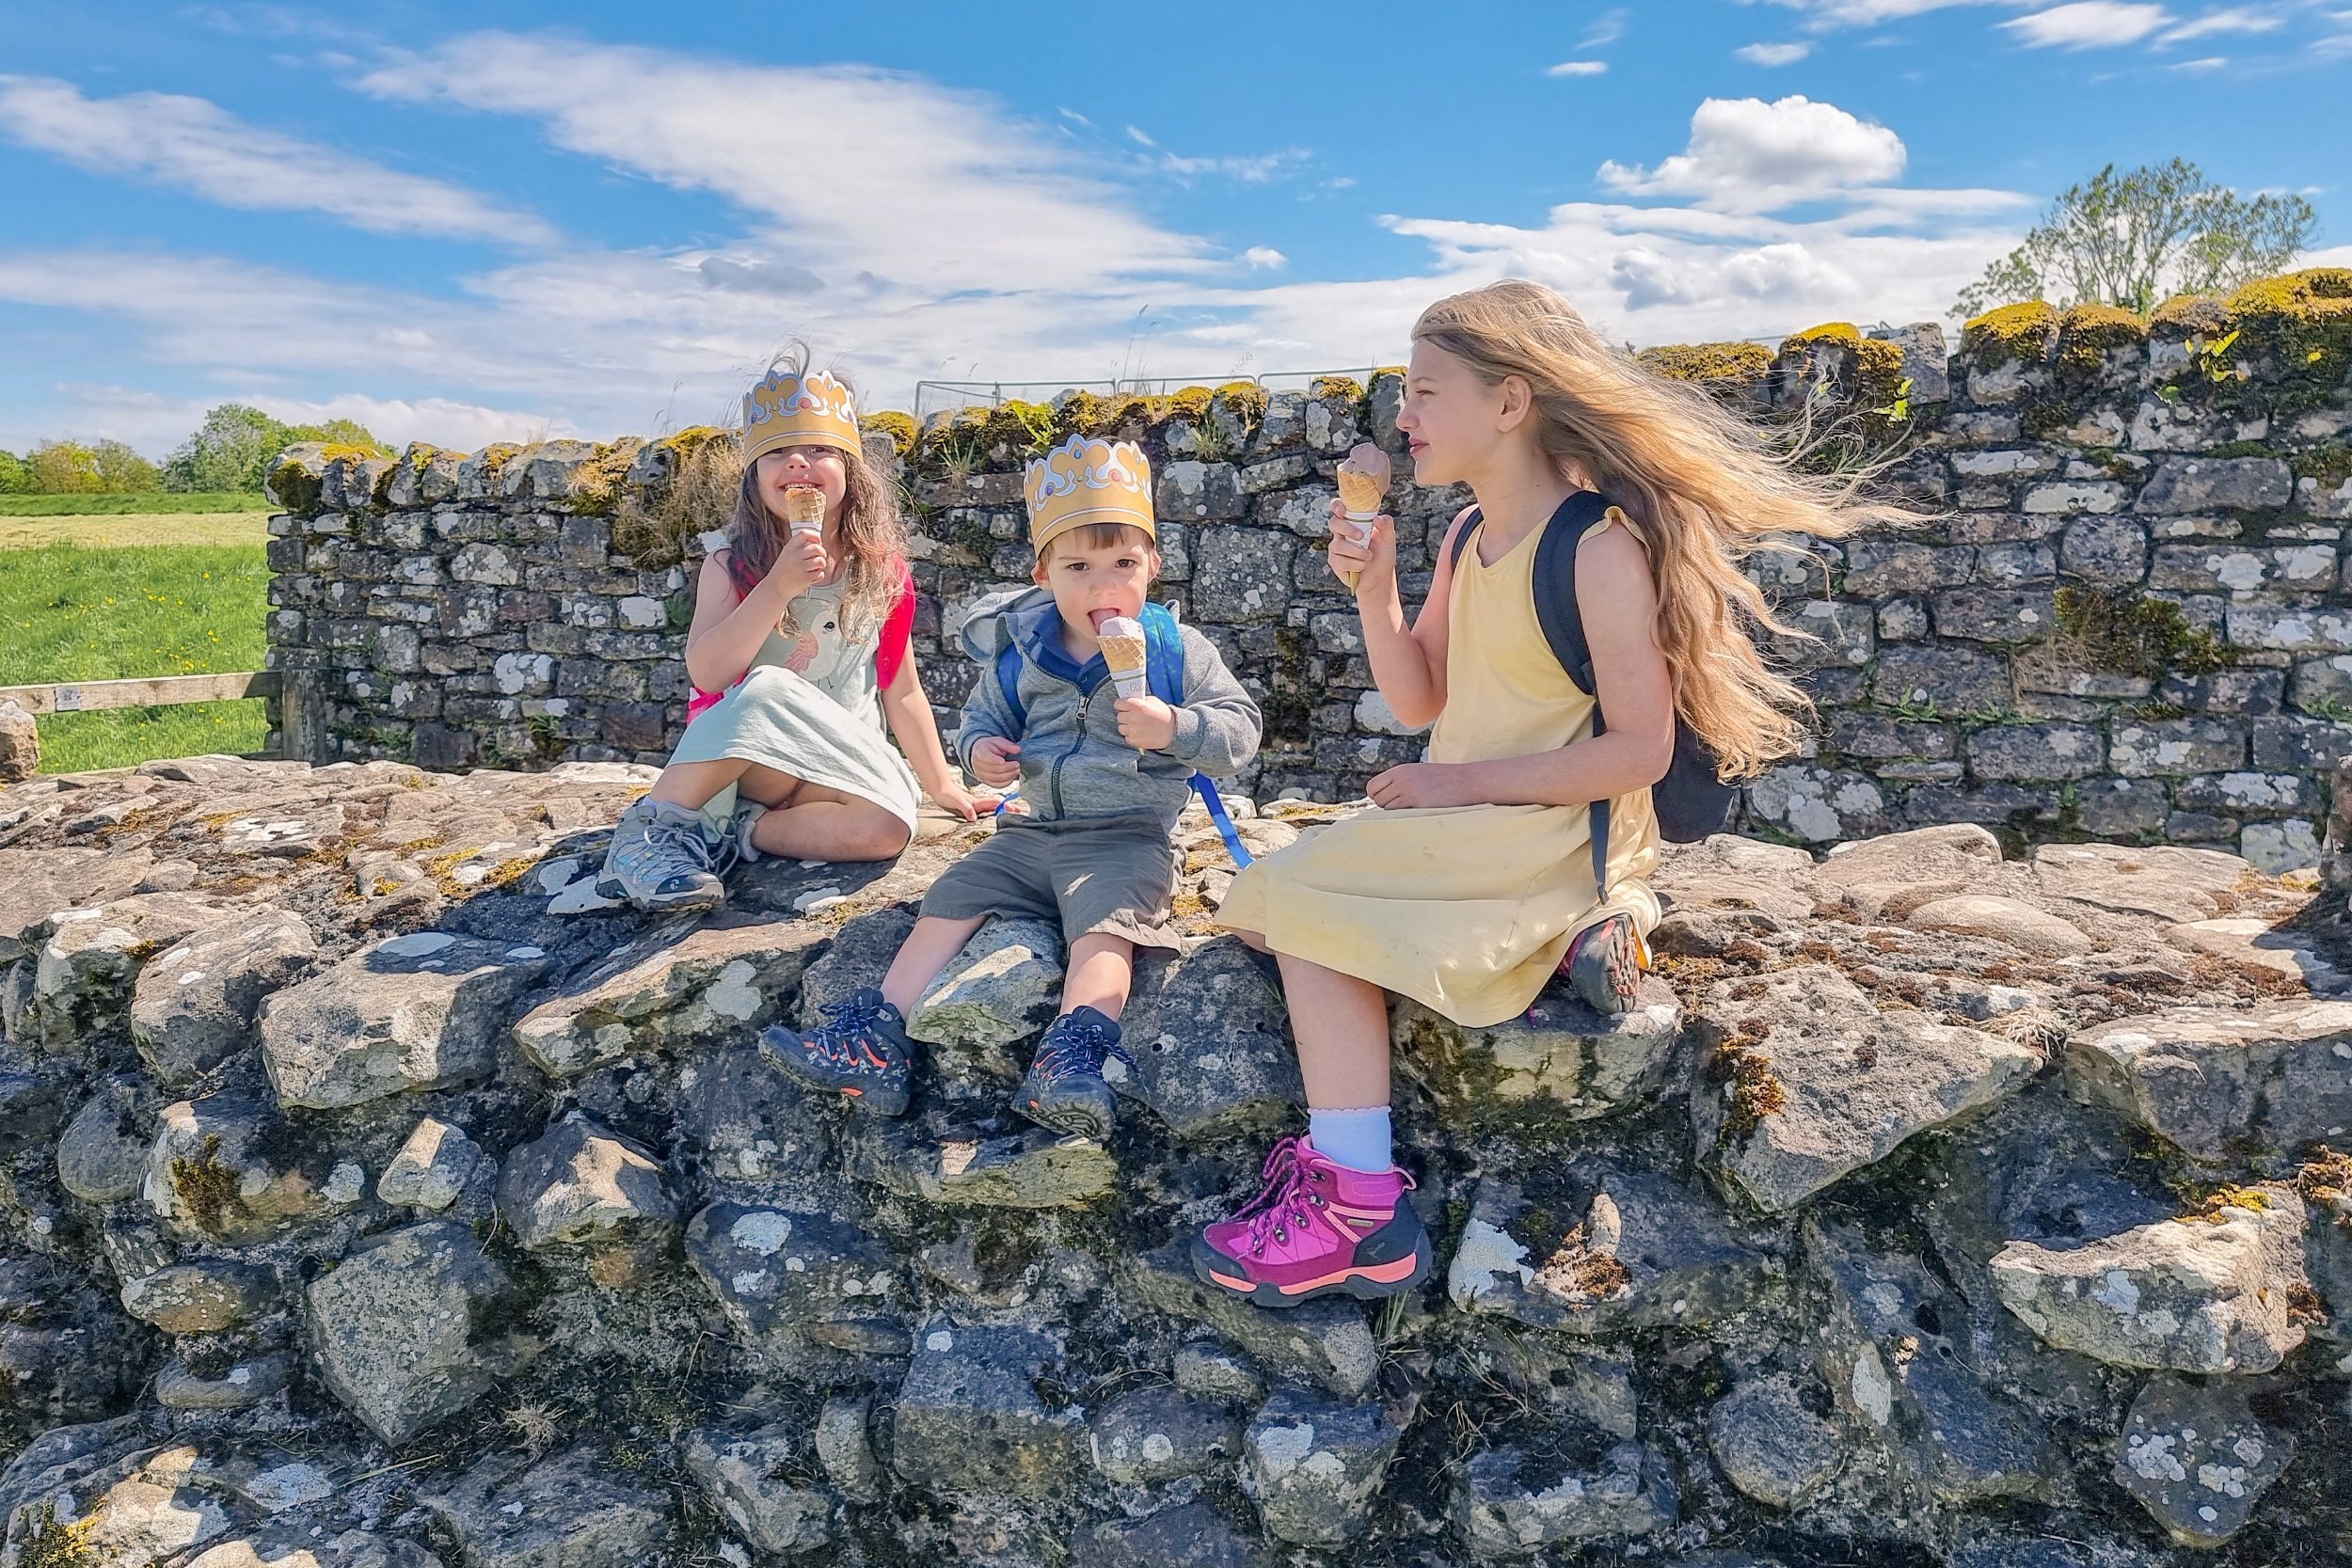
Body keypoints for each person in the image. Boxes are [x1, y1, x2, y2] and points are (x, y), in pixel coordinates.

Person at [1191, 280, 1903, 1307]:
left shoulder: (1599, 548)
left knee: (1296, 901)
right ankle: (1572, 944)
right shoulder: (1462, 536)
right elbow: (1416, 694)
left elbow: (1640, 752)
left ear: (1511, 401)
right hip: (1475, 820)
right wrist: (1374, 588)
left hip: (1557, 827)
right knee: (1269, 896)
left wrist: (1453, 785)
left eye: (1427, 392)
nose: (1402, 418)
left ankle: (1359, 1207)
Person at [760, 434, 1263, 1130]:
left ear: (1153, 563)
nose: (1102, 584)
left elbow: (1240, 732)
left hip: (1125, 836)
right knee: (953, 893)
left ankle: (1075, 1054)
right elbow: (980, 722)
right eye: (1078, 566)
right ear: (1043, 573)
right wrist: (982, 754)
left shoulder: (1179, 649)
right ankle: (875, 1036)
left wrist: (1175, 726)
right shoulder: (1023, 647)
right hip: (1031, 829)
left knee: (1107, 929)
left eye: (1123, 562)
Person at [597, 359, 995, 911]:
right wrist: (778, 585)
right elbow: (708, 673)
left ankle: (738, 837)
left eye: (821, 450)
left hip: (839, 762)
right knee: (766, 687)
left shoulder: (882, 573)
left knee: (886, 829)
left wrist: (943, 786)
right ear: (755, 477)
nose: (799, 463)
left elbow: (901, 691)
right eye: (778, 452)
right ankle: (648, 837)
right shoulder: (730, 565)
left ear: (851, 472)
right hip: (760, 761)